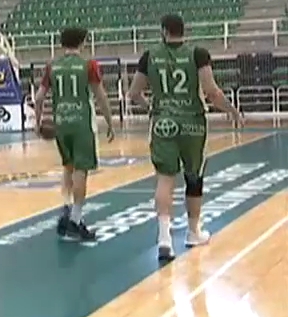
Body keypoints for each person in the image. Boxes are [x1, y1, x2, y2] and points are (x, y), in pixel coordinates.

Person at [127, 14, 242, 261]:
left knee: (165, 179)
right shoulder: (197, 53)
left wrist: (152, 108)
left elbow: (134, 93)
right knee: (194, 177)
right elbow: (211, 91)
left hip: (163, 123)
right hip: (192, 124)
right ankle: (193, 232)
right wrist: (232, 111)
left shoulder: (149, 56)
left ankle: (164, 239)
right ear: (183, 30)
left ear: (163, 31)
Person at [33, 27, 115, 242]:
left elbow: (39, 97)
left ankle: (67, 207)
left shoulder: (52, 66)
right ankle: (76, 221)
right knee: (81, 171)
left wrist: (38, 121)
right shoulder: (88, 65)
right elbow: (100, 96)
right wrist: (110, 121)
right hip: (81, 124)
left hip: (61, 124)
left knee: (68, 166)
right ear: (83, 42)